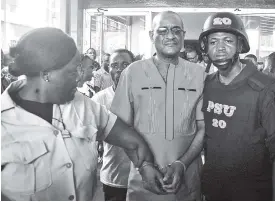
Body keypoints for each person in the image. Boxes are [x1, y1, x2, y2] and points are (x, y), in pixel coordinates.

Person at [1, 27, 164, 201]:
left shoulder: (83, 105)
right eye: (72, 71)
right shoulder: (5, 124)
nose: (79, 78)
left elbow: (133, 142)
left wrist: (146, 166)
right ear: (46, 74)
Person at [110, 11, 206, 200]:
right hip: (143, 182)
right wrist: (144, 166)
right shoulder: (132, 72)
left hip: (188, 182)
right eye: (162, 31)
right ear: (151, 35)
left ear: (183, 36)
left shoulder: (199, 74)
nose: (170, 36)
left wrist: (182, 164)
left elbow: (204, 127)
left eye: (176, 30)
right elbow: (119, 127)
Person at [198, 12, 275, 200]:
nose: (220, 48)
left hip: (252, 193)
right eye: (213, 42)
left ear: (240, 45)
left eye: (228, 41)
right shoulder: (206, 84)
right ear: (205, 47)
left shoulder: (265, 89)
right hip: (213, 191)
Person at [92, 49, 135, 201]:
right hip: (113, 178)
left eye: (125, 64)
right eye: (114, 65)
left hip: (143, 178)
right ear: (108, 69)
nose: (119, 69)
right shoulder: (99, 100)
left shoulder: (146, 97)